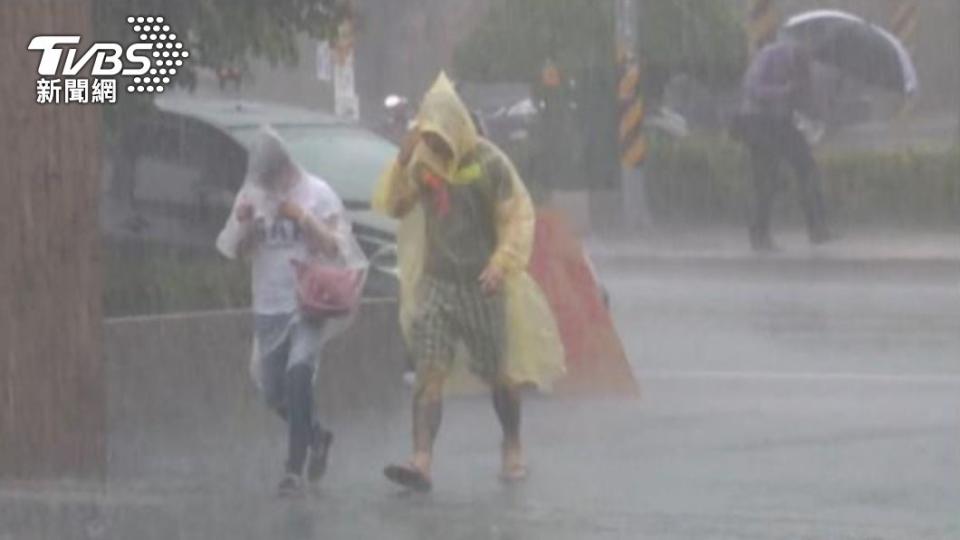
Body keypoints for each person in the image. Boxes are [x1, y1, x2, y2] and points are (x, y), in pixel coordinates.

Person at [373, 73, 564, 492]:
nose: (436, 147)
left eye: (441, 138)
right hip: (439, 284)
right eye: (430, 137)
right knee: (429, 372)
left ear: (457, 128)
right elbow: (395, 205)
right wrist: (402, 162)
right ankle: (421, 459)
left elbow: (517, 218)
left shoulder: (490, 164)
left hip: (482, 284)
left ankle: (512, 443)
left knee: (499, 374)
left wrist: (502, 263)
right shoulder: (423, 163)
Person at [216, 127, 366, 497]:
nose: (270, 185)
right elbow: (237, 250)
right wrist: (245, 222)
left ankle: (293, 468)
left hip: (308, 302)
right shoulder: (254, 195)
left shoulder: (318, 193)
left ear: (286, 167)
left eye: (274, 176)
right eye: (263, 179)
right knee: (272, 392)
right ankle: (317, 435)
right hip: (268, 306)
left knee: (299, 373)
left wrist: (300, 215)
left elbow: (335, 247)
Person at [735, 35, 837, 251]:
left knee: (807, 168)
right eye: (797, 67)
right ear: (793, 56)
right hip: (757, 120)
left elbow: (805, 101)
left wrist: (817, 110)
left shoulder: (805, 69)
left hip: (782, 121)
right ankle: (759, 235)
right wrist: (784, 90)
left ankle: (818, 227)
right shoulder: (769, 55)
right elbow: (752, 88)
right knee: (765, 178)